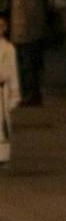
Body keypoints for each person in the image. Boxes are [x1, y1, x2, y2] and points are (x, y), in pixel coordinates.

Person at [8, 0, 47, 107]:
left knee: (29, 66)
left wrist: (33, 30)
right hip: (21, 34)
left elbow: (32, 11)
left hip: (28, 35)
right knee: (24, 66)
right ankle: (27, 95)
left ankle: (33, 96)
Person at [0, 15, 18, 166]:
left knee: (3, 123)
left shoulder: (8, 48)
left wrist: (14, 93)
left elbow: (12, 72)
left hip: (2, 90)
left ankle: (3, 155)